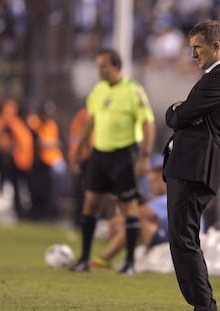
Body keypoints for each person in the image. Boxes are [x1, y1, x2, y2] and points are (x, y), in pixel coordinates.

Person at [163, 20, 220, 311]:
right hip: (188, 166)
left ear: (216, 46)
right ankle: (203, 305)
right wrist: (178, 112)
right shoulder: (214, 77)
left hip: (194, 167)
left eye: (198, 47)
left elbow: (179, 117)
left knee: (184, 239)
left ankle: (204, 306)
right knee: (183, 238)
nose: (193, 54)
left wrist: (180, 112)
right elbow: (178, 115)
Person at [70, 48, 155, 274]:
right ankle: (84, 259)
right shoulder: (98, 91)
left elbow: (148, 123)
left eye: (103, 66)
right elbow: (90, 122)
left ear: (116, 67)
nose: (99, 70)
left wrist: (145, 155)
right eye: (98, 65)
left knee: (128, 207)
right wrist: (79, 150)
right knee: (90, 204)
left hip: (124, 154)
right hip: (99, 154)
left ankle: (129, 263)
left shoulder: (133, 91)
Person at [90, 164, 168, 271]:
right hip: (164, 238)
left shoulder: (167, 199)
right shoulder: (162, 199)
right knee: (133, 223)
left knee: (136, 222)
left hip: (169, 242)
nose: (150, 186)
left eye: (153, 181)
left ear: (163, 181)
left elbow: (142, 212)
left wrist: (116, 220)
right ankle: (120, 260)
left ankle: (104, 259)